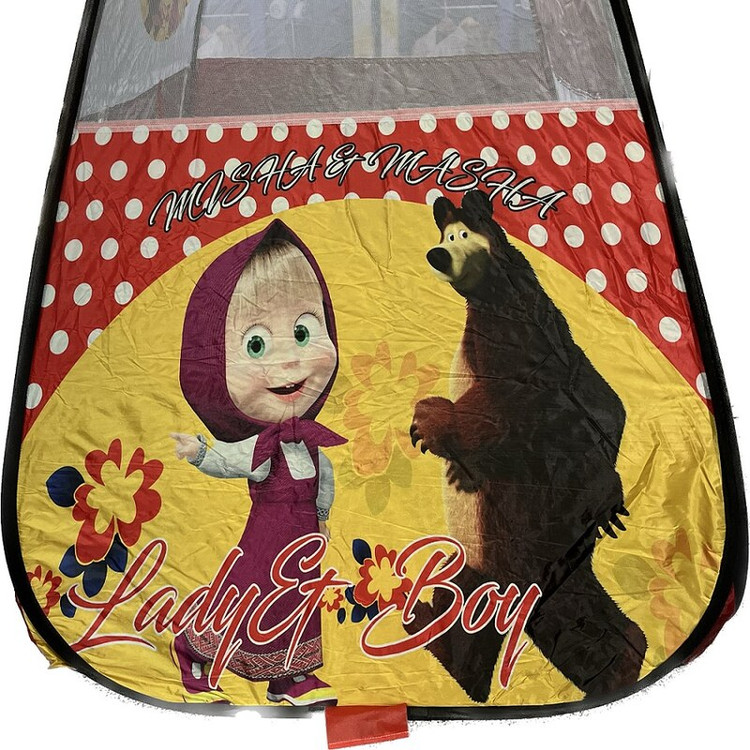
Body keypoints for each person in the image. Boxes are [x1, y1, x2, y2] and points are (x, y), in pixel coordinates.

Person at [170, 219, 346, 706]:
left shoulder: (310, 441)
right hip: (267, 538)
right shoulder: (261, 445)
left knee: (298, 599)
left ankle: (290, 676)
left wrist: (323, 517)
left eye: (304, 332)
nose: (289, 362)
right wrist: (201, 452)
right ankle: (193, 650)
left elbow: (324, 482)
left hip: (304, 540)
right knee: (247, 593)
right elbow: (231, 460)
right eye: (256, 345)